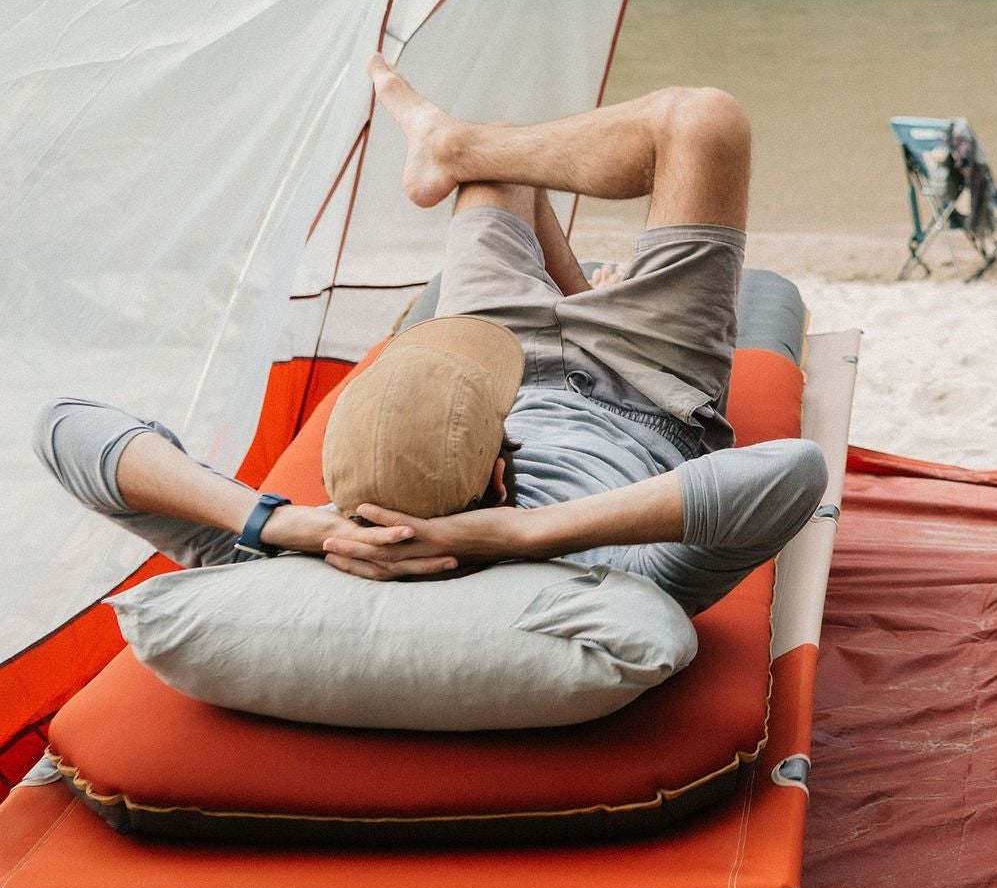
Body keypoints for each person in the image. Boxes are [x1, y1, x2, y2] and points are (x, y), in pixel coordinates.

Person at [36, 63, 827, 609]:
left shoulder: (318, 549)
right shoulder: (607, 570)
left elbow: (65, 429)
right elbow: (791, 474)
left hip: (481, 349)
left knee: (506, 157)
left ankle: (494, 186)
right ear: (501, 469)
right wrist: (520, 535)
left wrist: (282, 524)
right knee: (701, 122)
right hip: (642, 388)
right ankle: (456, 149)